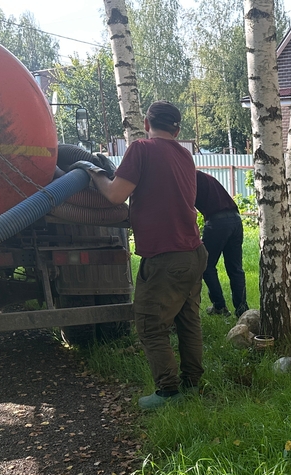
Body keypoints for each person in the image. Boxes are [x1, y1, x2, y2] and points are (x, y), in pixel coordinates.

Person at [82, 101, 207, 410]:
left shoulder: (142, 149)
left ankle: (167, 392)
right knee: (188, 321)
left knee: (151, 325)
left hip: (166, 257)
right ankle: (192, 384)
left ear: (148, 124)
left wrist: (94, 172)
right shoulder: (185, 155)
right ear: (177, 129)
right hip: (194, 251)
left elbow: (114, 194)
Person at [195, 170, 247, 317]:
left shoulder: (188, 179)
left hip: (217, 222)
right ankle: (242, 310)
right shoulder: (204, 176)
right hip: (235, 219)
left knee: (206, 265)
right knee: (235, 268)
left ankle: (220, 307)